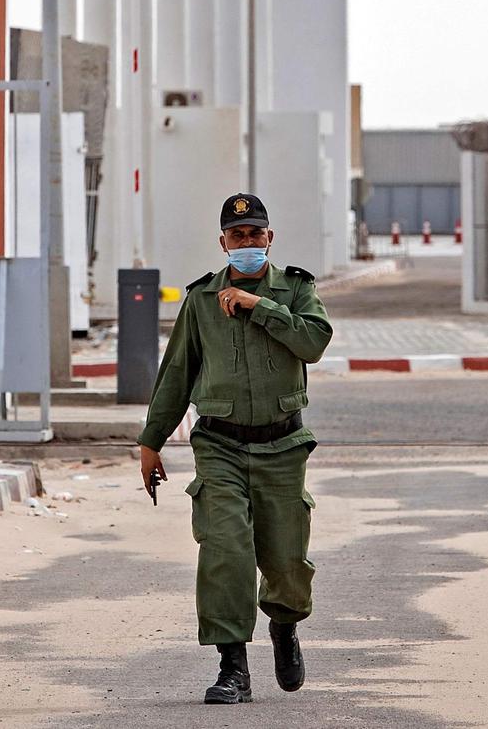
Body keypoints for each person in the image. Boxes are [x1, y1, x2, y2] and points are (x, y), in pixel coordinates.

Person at [138, 192, 332, 705]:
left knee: (286, 562)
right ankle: (232, 669)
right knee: (225, 551)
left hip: (283, 445)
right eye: (237, 235)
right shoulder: (201, 299)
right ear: (222, 242)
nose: (247, 242)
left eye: (255, 234)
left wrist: (259, 306)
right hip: (220, 446)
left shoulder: (295, 290)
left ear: (269, 238)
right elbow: (177, 373)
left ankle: (284, 626)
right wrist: (150, 442)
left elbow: (314, 342)